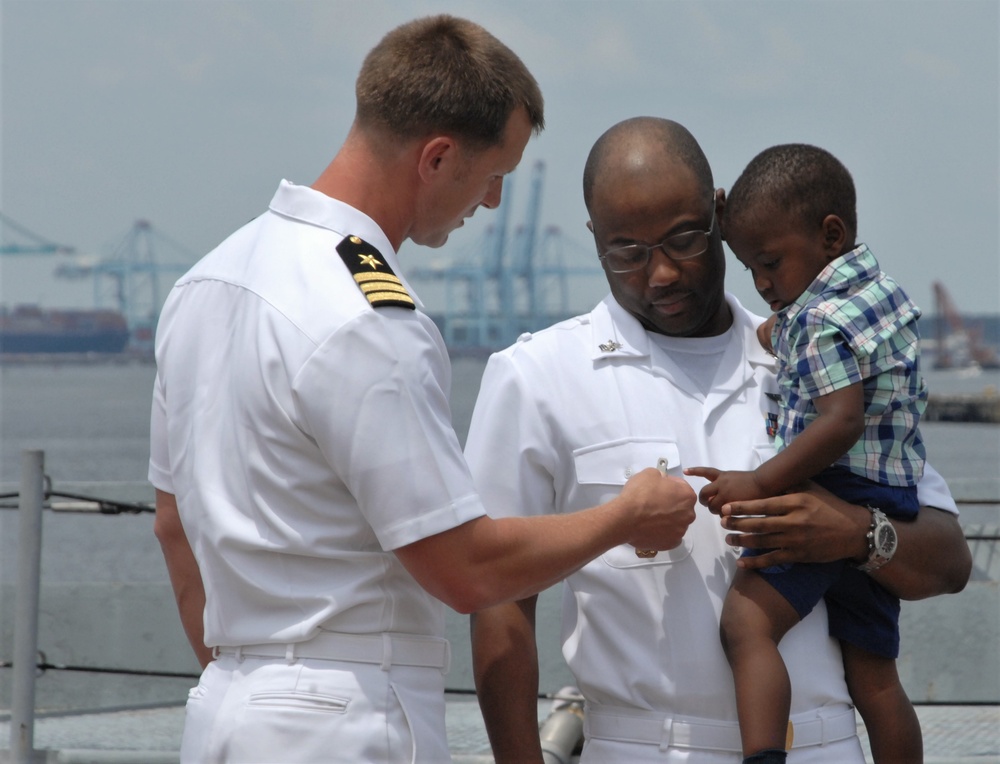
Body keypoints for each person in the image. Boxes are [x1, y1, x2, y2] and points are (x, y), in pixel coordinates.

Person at [149, 22, 696, 764]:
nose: (495, 201)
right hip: (342, 718)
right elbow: (464, 569)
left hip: (224, 710)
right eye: (492, 173)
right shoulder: (369, 317)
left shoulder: (206, 283)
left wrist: (247, 690)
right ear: (437, 158)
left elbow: (173, 526)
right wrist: (625, 514)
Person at [465, 117, 971, 764]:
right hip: (640, 749)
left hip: (824, 746)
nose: (662, 274)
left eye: (683, 239)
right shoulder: (537, 377)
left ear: (719, 212)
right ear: (593, 238)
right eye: (627, 251)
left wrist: (856, 533)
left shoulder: (818, 356)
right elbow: (500, 594)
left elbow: (951, 561)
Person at [687, 143, 928, 764]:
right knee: (875, 679)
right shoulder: (875, 294)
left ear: (830, 235)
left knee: (746, 626)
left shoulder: (818, 321)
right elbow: (798, 336)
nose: (763, 283)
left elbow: (840, 421)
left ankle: (764, 757)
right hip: (891, 498)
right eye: (749, 269)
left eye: (769, 263)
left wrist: (758, 482)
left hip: (839, 491)